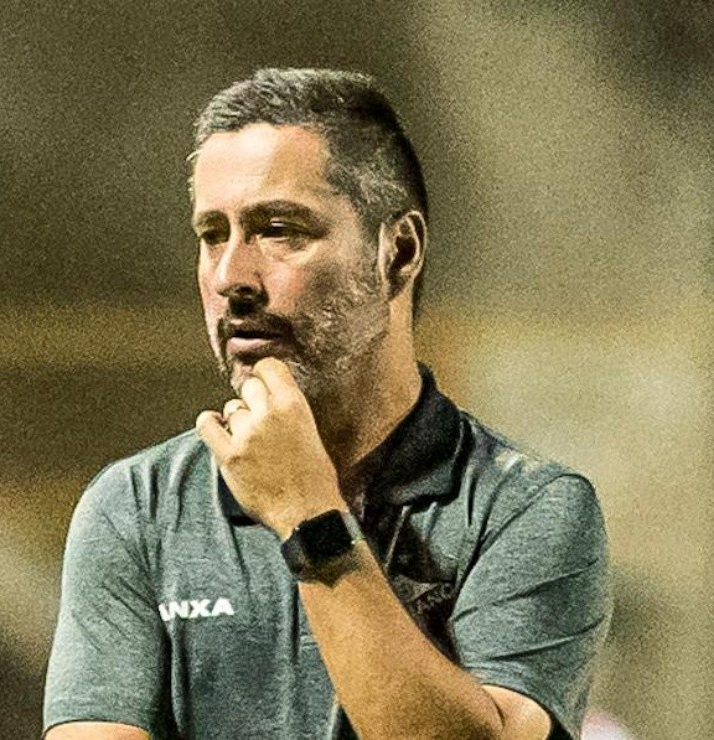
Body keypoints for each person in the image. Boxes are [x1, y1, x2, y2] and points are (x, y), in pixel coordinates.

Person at [43, 68, 611, 740]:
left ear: (397, 252)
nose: (230, 277)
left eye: (279, 230)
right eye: (212, 234)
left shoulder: (524, 509)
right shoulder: (136, 508)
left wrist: (309, 516)